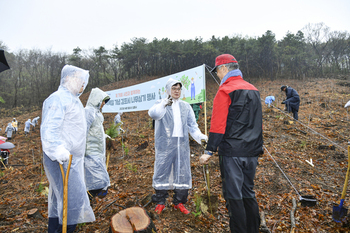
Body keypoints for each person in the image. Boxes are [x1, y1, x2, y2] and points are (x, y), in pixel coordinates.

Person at [200, 54, 263, 233]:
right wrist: (258, 147)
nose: (218, 76)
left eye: (217, 72)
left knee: (234, 196)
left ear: (224, 69)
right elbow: (258, 123)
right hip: (251, 152)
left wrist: (209, 150)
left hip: (232, 153)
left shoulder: (225, 90)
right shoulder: (254, 89)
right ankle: (253, 230)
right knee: (248, 192)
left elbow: (218, 124)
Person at [41, 64, 95, 233]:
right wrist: (57, 150)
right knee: (72, 199)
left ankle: (57, 229)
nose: (83, 84)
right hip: (60, 158)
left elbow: (76, 128)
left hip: (73, 159)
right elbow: (49, 128)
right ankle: (63, 230)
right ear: (69, 78)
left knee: (64, 199)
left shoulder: (74, 101)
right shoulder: (58, 98)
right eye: (80, 79)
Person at [148, 78, 207, 215]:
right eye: (174, 88)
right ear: (168, 90)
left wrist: (201, 138)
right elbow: (153, 114)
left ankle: (179, 202)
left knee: (182, 173)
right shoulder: (160, 104)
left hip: (181, 146)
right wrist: (164, 103)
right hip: (165, 146)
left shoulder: (186, 107)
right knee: (162, 171)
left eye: (179, 89)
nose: (176, 91)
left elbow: (193, 126)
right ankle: (160, 202)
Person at [84, 87, 111, 200]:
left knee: (99, 177)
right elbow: (83, 132)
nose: (104, 103)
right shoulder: (88, 112)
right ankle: (90, 198)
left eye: (105, 101)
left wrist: (105, 136)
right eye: (102, 100)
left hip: (98, 151)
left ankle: (94, 199)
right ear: (96, 99)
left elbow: (95, 132)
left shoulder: (97, 114)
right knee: (98, 178)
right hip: (90, 151)